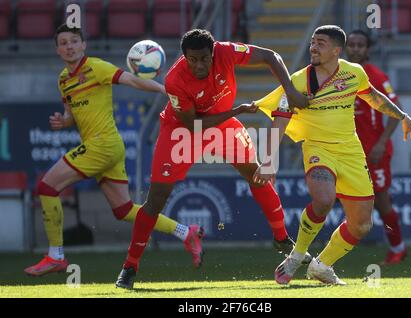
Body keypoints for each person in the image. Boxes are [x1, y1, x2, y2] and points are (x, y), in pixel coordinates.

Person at [115, 29, 308, 289]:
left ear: (213, 52)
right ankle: (130, 266)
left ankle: (282, 239)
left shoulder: (226, 52)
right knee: (156, 199)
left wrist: (291, 91)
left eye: (204, 58)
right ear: (184, 57)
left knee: (258, 175)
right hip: (181, 131)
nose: (199, 65)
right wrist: (237, 110)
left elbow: (271, 56)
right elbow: (193, 125)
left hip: (223, 125)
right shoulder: (175, 79)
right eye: (192, 59)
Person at [24, 24, 204, 277]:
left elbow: (131, 80)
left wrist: (166, 90)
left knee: (46, 187)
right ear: (57, 49)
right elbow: (71, 114)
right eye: (63, 43)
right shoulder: (63, 79)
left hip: (102, 144)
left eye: (74, 41)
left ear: (83, 45)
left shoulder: (96, 67)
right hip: (109, 147)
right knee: (124, 210)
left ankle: (56, 256)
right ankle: (187, 232)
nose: (69, 46)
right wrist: (63, 121)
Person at [252, 25, 411, 285]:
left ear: (337, 51)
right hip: (318, 148)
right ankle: (297, 254)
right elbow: (279, 122)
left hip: (351, 152)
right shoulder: (297, 81)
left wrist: (403, 116)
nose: (313, 47)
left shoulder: (354, 73)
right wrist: (269, 162)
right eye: (312, 43)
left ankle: (322, 265)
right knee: (324, 200)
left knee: (362, 225)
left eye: (321, 43)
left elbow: (373, 97)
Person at [346, 29, 407, 265]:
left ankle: (398, 247)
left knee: (382, 202)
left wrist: (381, 143)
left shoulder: (376, 76)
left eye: (360, 45)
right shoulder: (338, 76)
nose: (356, 49)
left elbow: (396, 112)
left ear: (367, 49)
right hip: (349, 153)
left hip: (374, 152)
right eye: (352, 44)